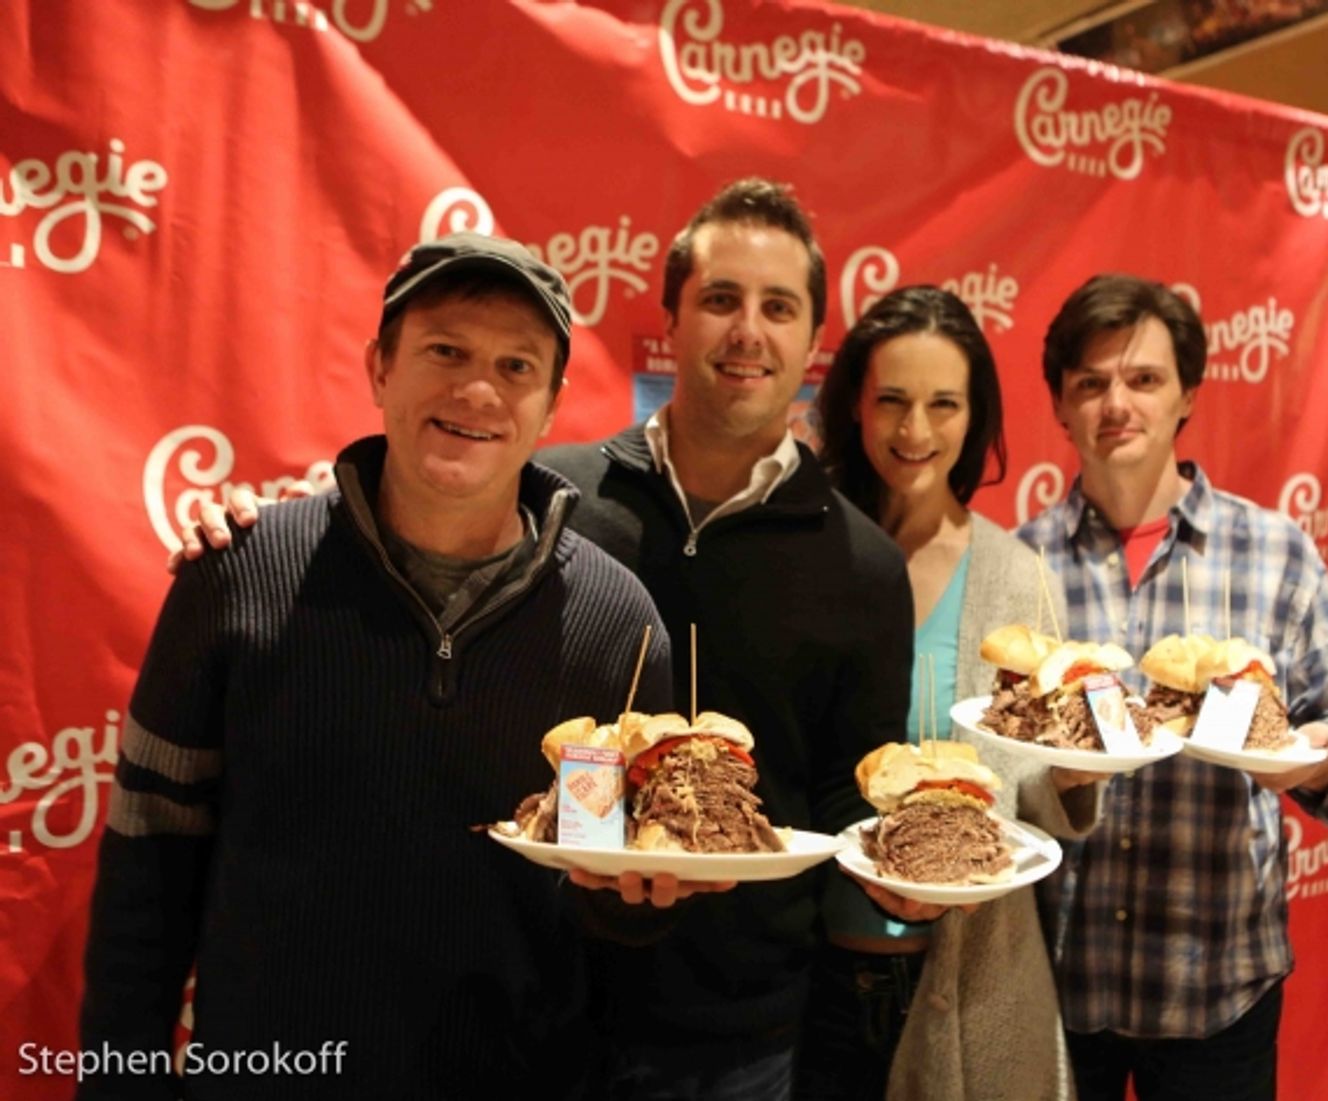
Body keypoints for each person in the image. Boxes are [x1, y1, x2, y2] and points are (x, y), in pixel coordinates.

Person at [169, 179, 913, 1101]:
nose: (747, 331)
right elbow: (403, 512)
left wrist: (899, 882)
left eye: (778, 307)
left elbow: (849, 789)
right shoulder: (549, 496)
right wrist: (257, 525)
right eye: (720, 299)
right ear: (671, 319)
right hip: (522, 1015)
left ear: (813, 344)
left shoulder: (867, 564)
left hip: (728, 1036)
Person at [78, 231, 674, 1100]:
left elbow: (601, 904)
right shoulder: (236, 577)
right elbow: (148, 869)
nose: (477, 389)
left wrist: (634, 893)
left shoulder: (610, 632)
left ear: (550, 407)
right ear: (379, 368)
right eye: (445, 350)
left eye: (516, 366)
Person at [1018, 273, 1328, 1101]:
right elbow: (999, 759)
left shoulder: (1277, 551)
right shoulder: (1020, 564)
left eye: (1143, 379)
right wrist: (1045, 780)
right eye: (1091, 384)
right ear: (1061, 406)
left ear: (1186, 396)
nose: (1117, 403)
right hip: (1068, 978)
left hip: (1221, 977)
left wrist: (1315, 758)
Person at [802, 285, 1096, 1101]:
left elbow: (1033, 794)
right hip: (809, 977)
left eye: (944, 404)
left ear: (976, 417)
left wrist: (1074, 777)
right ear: (854, 405)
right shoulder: (808, 555)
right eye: (892, 400)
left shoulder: (1017, 578)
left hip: (972, 975)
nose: (916, 431)